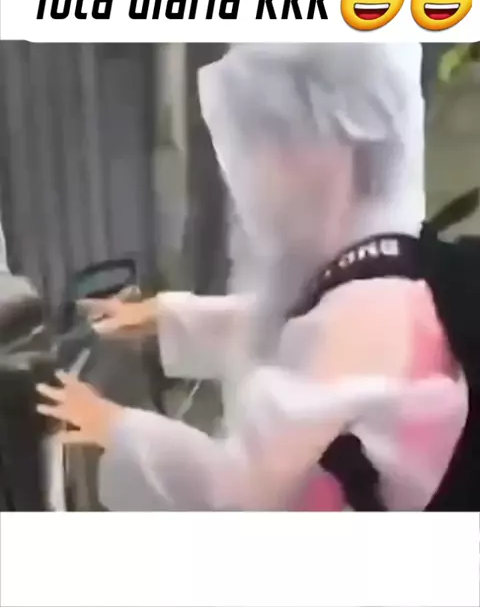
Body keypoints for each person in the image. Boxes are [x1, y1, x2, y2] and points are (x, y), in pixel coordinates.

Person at [37, 43, 467, 511]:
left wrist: (112, 426)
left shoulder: (357, 327)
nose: (253, 174)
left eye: (277, 145)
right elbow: (296, 323)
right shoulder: (390, 258)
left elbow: (237, 496)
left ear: (340, 149)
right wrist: (164, 317)